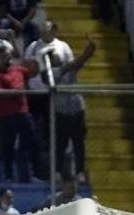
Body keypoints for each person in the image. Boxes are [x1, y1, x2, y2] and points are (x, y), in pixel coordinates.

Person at [42, 34, 95, 184]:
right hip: (61, 113)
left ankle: (79, 171)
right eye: (54, 56)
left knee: (79, 143)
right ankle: (57, 171)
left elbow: (77, 64)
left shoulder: (68, 68)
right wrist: (83, 55)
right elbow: (70, 66)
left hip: (77, 109)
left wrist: (87, 54)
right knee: (60, 144)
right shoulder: (48, 73)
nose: (58, 57)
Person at [0, 47, 40, 183]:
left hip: (23, 112)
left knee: (32, 142)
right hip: (6, 115)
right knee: (8, 146)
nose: (8, 58)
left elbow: (34, 72)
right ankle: (8, 176)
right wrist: (15, 92)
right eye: (5, 56)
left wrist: (35, 61)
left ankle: (34, 173)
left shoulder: (18, 69)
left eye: (9, 55)